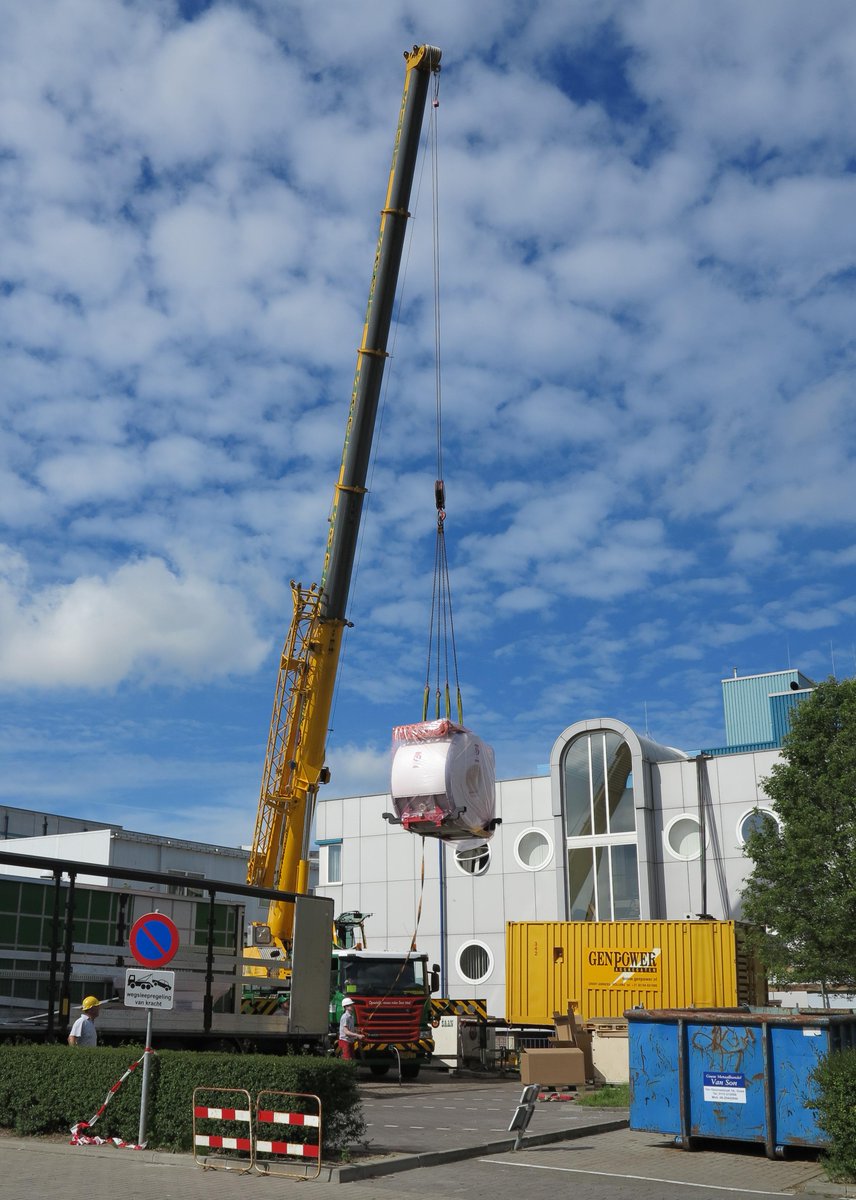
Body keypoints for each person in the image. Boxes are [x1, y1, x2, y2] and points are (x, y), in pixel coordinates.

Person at [337, 996, 362, 1060]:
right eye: (350, 1005)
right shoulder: (345, 1017)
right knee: (346, 1060)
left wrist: (357, 1030)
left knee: (352, 1060)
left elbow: (351, 1029)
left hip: (350, 1041)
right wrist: (357, 1035)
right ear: (346, 1007)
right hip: (345, 1041)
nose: (352, 1006)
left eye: (352, 1004)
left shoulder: (352, 1016)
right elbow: (346, 1032)